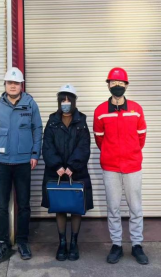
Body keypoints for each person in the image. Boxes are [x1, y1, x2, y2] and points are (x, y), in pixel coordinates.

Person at [93, 67, 149, 265]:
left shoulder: (136, 109)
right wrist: (110, 154)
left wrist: (131, 152)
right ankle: (116, 245)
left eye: (120, 83)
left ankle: (137, 245)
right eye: (113, 82)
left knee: (136, 207)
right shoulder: (100, 111)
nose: (117, 86)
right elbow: (99, 139)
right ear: (108, 85)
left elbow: (141, 137)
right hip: (110, 167)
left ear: (126, 85)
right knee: (113, 207)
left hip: (132, 165)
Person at [0, 67, 43, 262]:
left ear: (21, 85)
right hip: (2, 162)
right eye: (10, 83)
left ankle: (23, 241)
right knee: (2, 205)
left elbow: (37, 129)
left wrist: (35, 153)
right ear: (5, 84)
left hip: (23, 162)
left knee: (24, 204)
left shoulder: (30, 104)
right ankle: (2, 242)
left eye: (16, 83)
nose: (13, 86)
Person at [41, 84, 93, 261]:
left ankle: (74, 243)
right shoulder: (52, 121)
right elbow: (47, 145)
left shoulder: (81, 121)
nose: (65, 103)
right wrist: (57, 165)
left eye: (68, 100)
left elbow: (84, 146)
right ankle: (62, 243)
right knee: (60, 207)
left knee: (76, 207)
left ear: (74, 101)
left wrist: (72, 166)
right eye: (62, 100)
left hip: (76, 172)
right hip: (56, 172)